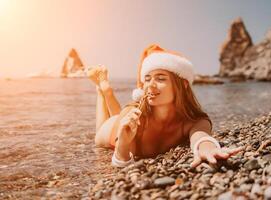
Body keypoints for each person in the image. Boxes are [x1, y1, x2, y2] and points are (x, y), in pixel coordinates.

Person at [87, 44, 243, 168]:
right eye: (147, 79)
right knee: (107, 128)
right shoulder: (133, 114)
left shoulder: (194, 120)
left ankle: (106, 92)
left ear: (183, 85)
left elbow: (201, 137)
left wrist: (207, 148)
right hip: (110, 132)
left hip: (124, 121)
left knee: (121, 118)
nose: (150, 85)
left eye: (160, 79)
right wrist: (123, 144)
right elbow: (120, 162)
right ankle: (103, 92)